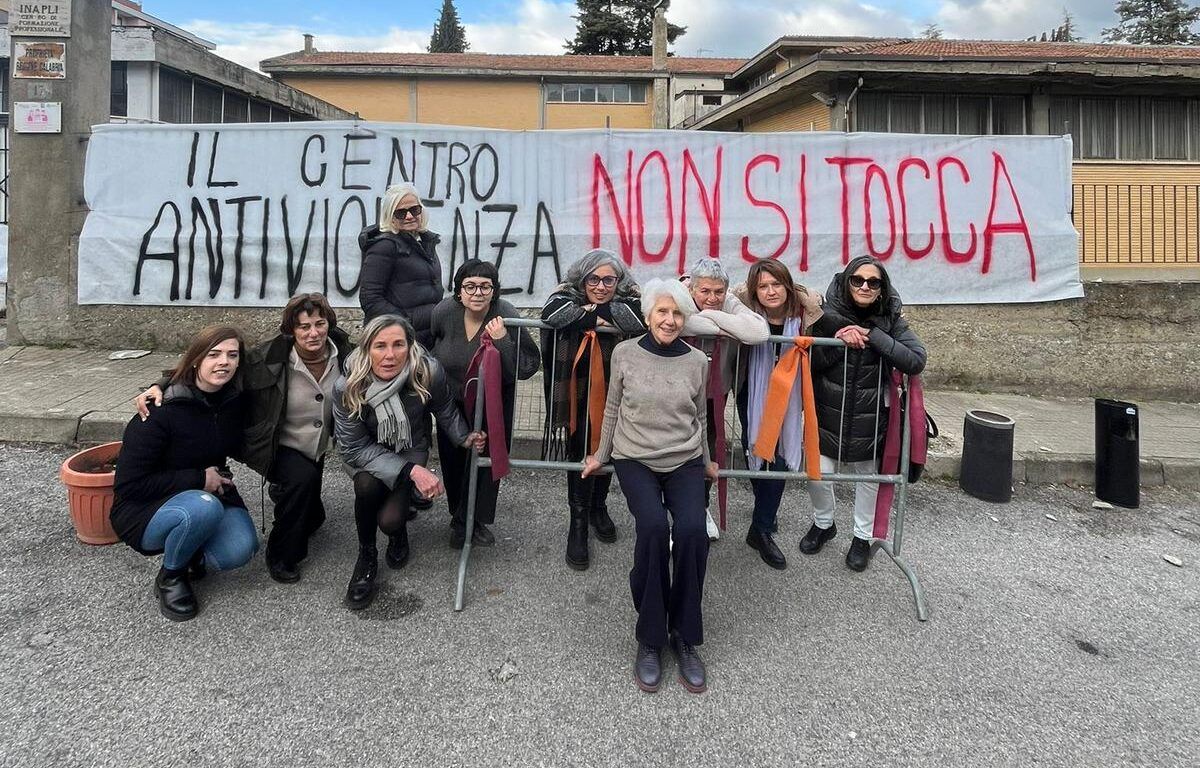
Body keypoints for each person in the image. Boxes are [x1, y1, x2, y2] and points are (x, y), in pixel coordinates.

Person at [136, 294, 353, 585]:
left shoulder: (348, 354)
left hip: (320, 441)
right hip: (278, 442)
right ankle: (282, 554)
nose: (313, 333)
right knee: (300, 481)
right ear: (291, 330)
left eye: (319, 324)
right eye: (304, 327)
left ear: (329, 324)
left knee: (311, 511)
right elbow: (211, 371)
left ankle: (294, 500)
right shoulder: (266, 358)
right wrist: (161, 384)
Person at [582, 278, 718, 694]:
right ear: (647, 315)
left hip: (685, 458)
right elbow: (612, 408)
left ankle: (685, 635)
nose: (670, 320)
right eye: (662, 312)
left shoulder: (697, 361)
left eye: (677, 313)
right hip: (635, 457)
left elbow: (700, 416)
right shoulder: (624, 353)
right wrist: (599, 455)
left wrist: (709, 461)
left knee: (694, 531)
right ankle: (650, 637)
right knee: (655, 529)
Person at [333, 315, 485, 610]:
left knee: (390, 521)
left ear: (410, 346)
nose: (389, 355)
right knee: (366, 485)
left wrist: (464, 437)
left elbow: (443, 408)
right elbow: (352, 447)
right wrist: (414, 472)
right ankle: (366, 555)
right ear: (366, 349)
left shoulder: (426, 371)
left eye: (398, 345)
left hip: (408, 448)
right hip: (366, 454)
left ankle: (397, 533)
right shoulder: (348, 385)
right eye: (380, 346)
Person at [112, 326, 258, 622]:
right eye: (214, 354)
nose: (224, 362)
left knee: (241, 549)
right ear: (195, 359)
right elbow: (129, 485)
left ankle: (190, 552)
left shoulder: (233, 399)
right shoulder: (158, 410)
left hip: (208, 491)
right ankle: (171, 575)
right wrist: (199, 479)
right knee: (203, 509)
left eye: (232, 355)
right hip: (145, 508)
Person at [801, 256, 926, 571]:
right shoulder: (826, 316)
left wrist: (872, 335)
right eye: (858, 280)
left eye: (873, 282)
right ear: (846, 282)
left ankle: (862, 536)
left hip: (871, 419)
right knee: (818, 474)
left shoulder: (892, 320)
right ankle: (823, 523)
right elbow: (810, 364)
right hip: (827, 412)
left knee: (867, 479)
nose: (865, 286)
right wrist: (838, 339)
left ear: (882, 288)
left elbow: (916, 359)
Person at [541, 249, 645, 571]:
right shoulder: (565, 294)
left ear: (619, 281)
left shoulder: (632, 297)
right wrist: (596, 318)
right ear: (583, 278)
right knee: (579, 452)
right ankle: (579, 521)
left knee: (609, 450)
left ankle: (599, 507)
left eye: (608, 280)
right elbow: (551, 313)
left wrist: (592, 312)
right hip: (575, 394)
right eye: (594, 279)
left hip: (618, 394)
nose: (601, 286)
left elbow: (637, 319)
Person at [429, 259, 539, 548]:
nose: (477, 293)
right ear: (459, 291)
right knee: (454, 460)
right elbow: (431, 346)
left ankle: (472, 522)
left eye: (485, 286)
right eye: (470, 286)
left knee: (485, 464)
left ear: (494, 291)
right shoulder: (444, 312)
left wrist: (503, 339)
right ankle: (459, 515)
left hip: (492, 402)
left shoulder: (506, 313)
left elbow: (524, 368)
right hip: (451, 400)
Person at [735, 258, 823, 571]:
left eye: (776, 284)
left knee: (779, 457)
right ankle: (765, 514)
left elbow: (835, 316)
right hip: (751, 391)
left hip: (789, 394)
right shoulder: (745, 308)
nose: (771, 291)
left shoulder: (805, 312)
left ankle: (760, 529)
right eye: (763, 286)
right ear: (754, 291)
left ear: (787, 285)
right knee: (755, 450)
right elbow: (715, 294)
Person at [680, 258, 769, 541]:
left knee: (708, 452)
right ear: (692, 288)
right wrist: (726, 327)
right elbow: (677, 323)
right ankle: (677, 513)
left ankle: (701, 508)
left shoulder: (727, 302)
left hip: (714, 395)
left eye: (718, 292)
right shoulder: (677, 294)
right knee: (677, 452)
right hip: (676, 393)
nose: (712, 298)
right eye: (705, 291)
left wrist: (711, 318)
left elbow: (758, 332)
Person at [358, 183, 444, 348]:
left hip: (426, 338)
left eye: (415, 209)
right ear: (390, 217)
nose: (410, 216)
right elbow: (370, 299)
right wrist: (405, 323)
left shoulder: (424, 242)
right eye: (401, 213)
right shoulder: (384, 246)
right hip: (400, 341)